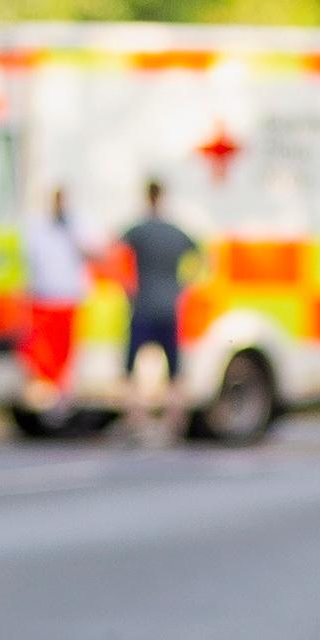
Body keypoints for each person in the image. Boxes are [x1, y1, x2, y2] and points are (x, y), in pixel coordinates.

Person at [116, 178, 199, 445]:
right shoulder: (175, 232)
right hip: (169, 308)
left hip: (143, 306)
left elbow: (114, 253)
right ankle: (175, 423)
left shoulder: (138, 231)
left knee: (130, 370)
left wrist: (127, 288)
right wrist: (183, 288)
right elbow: (201, 256)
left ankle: (136, 421)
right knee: (174, 371)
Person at [19, 186, 94, 418]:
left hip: (68, 297)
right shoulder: (38, 226)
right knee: (41, 353)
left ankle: (62, 398)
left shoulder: (77, 225)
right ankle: (46, 395)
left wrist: (72, 233)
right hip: (44, 297)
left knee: (65, 353)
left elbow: (93, 253)